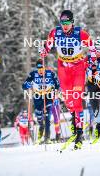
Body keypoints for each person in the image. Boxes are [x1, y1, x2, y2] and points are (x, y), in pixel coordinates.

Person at [40, 10, 96, 149]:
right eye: (62, 23)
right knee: (68, 100)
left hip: (78, 67)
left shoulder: (80, 34)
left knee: (77, 99)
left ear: (72, 22)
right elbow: (48, 46)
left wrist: (92, 63)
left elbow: (93, 48)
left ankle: (79, 133)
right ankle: (73, 118)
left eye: (67, 22)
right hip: (63, 68)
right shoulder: (55, 32)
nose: (65, 25)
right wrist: (44, 50)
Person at [22, 59, 60, 143]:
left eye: (42, 68)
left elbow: (57, 85)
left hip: (48, 96)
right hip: (38, 97)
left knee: (47, 117)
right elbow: (24, 86)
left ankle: (47, 138)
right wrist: (27, 85)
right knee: (39, 117)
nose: (40, 70)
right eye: (38, 68)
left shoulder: (50, 74)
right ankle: (41, 127)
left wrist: (55, 91)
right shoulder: (33, 74)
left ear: (44, 67)